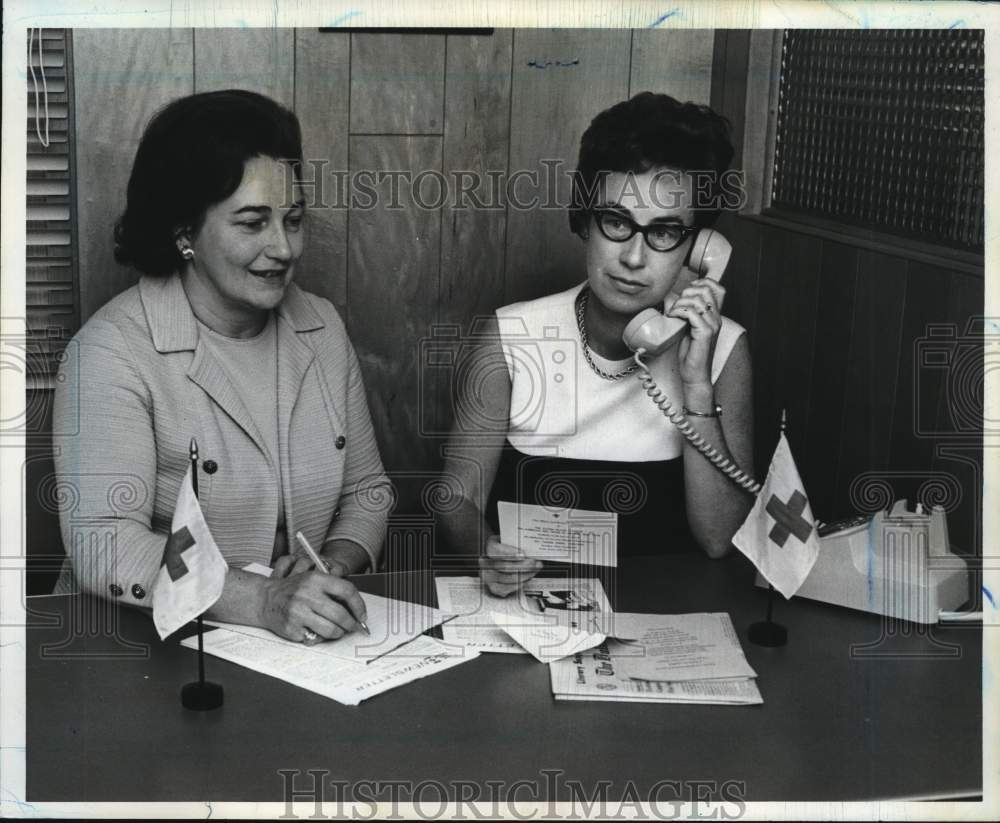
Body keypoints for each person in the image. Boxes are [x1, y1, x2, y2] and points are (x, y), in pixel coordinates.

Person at [52, 90, 392, 643]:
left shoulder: (323, 327)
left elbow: (368, 491)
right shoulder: (110, 351)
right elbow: (103, 541)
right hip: (141, 647)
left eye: (294, 219)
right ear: (184, 233)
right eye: (253, 223)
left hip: (298, 651)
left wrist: (330, 569)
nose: (284, 248)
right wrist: (261, 599)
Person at [439, 92, 755, 596]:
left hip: (665, 623)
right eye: (616, 221)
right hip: (530, 614)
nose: (633, 257)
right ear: (585, 219)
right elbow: (456, 497)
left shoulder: (725, 351)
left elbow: (721, 540)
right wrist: (485, 552)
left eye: (665, 233)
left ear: (699, 251)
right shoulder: (511, 337)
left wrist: (696, 386)